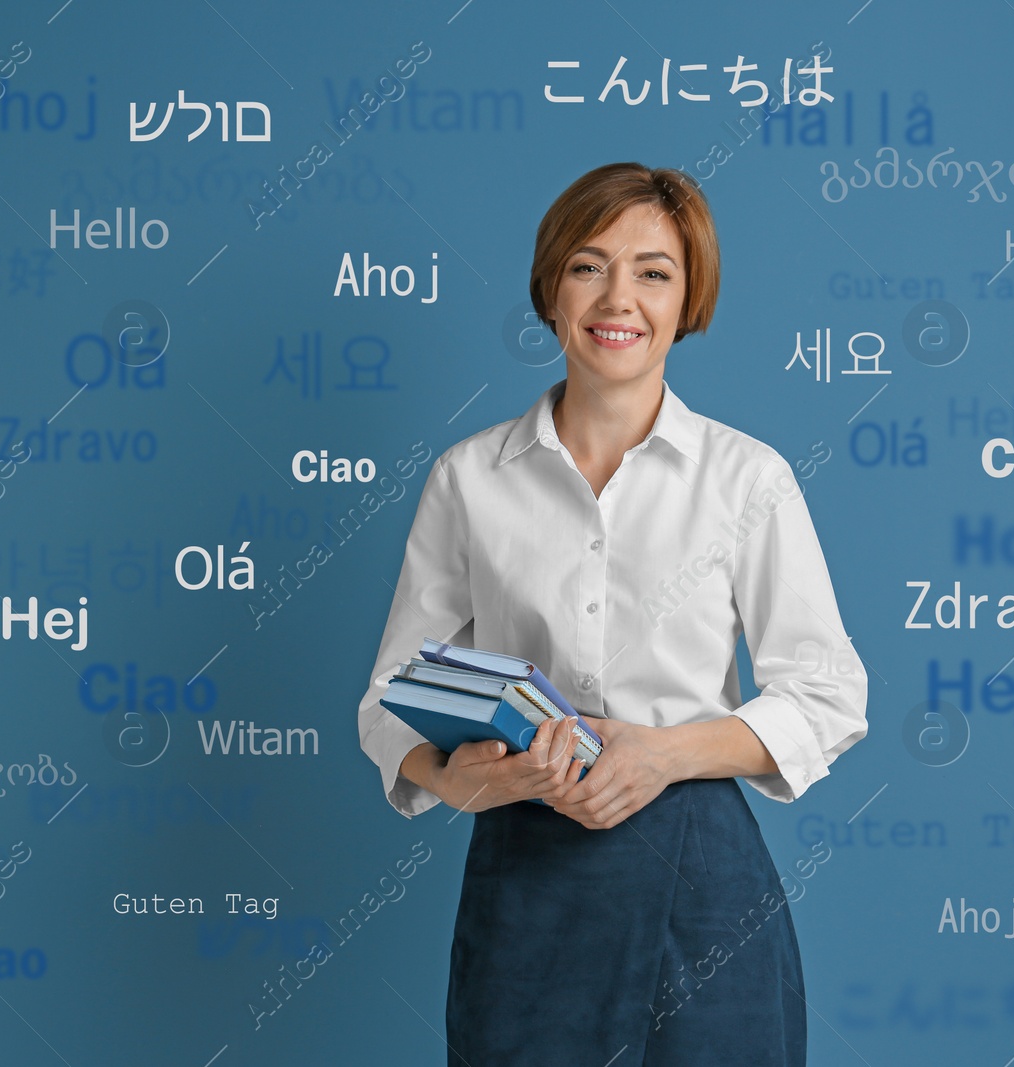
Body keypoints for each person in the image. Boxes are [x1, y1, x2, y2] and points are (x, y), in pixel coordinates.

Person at [355, 162, 869, 1066]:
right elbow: (394, 695)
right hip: (525, 866)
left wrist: (663, 753)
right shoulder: (469, 477)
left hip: (703, 873)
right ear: (552, 291)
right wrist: (452, 778)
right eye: (589, 265)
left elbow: (830, 695)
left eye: (653, 271)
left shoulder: (748, 477)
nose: (617, 296)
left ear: (686, 301)